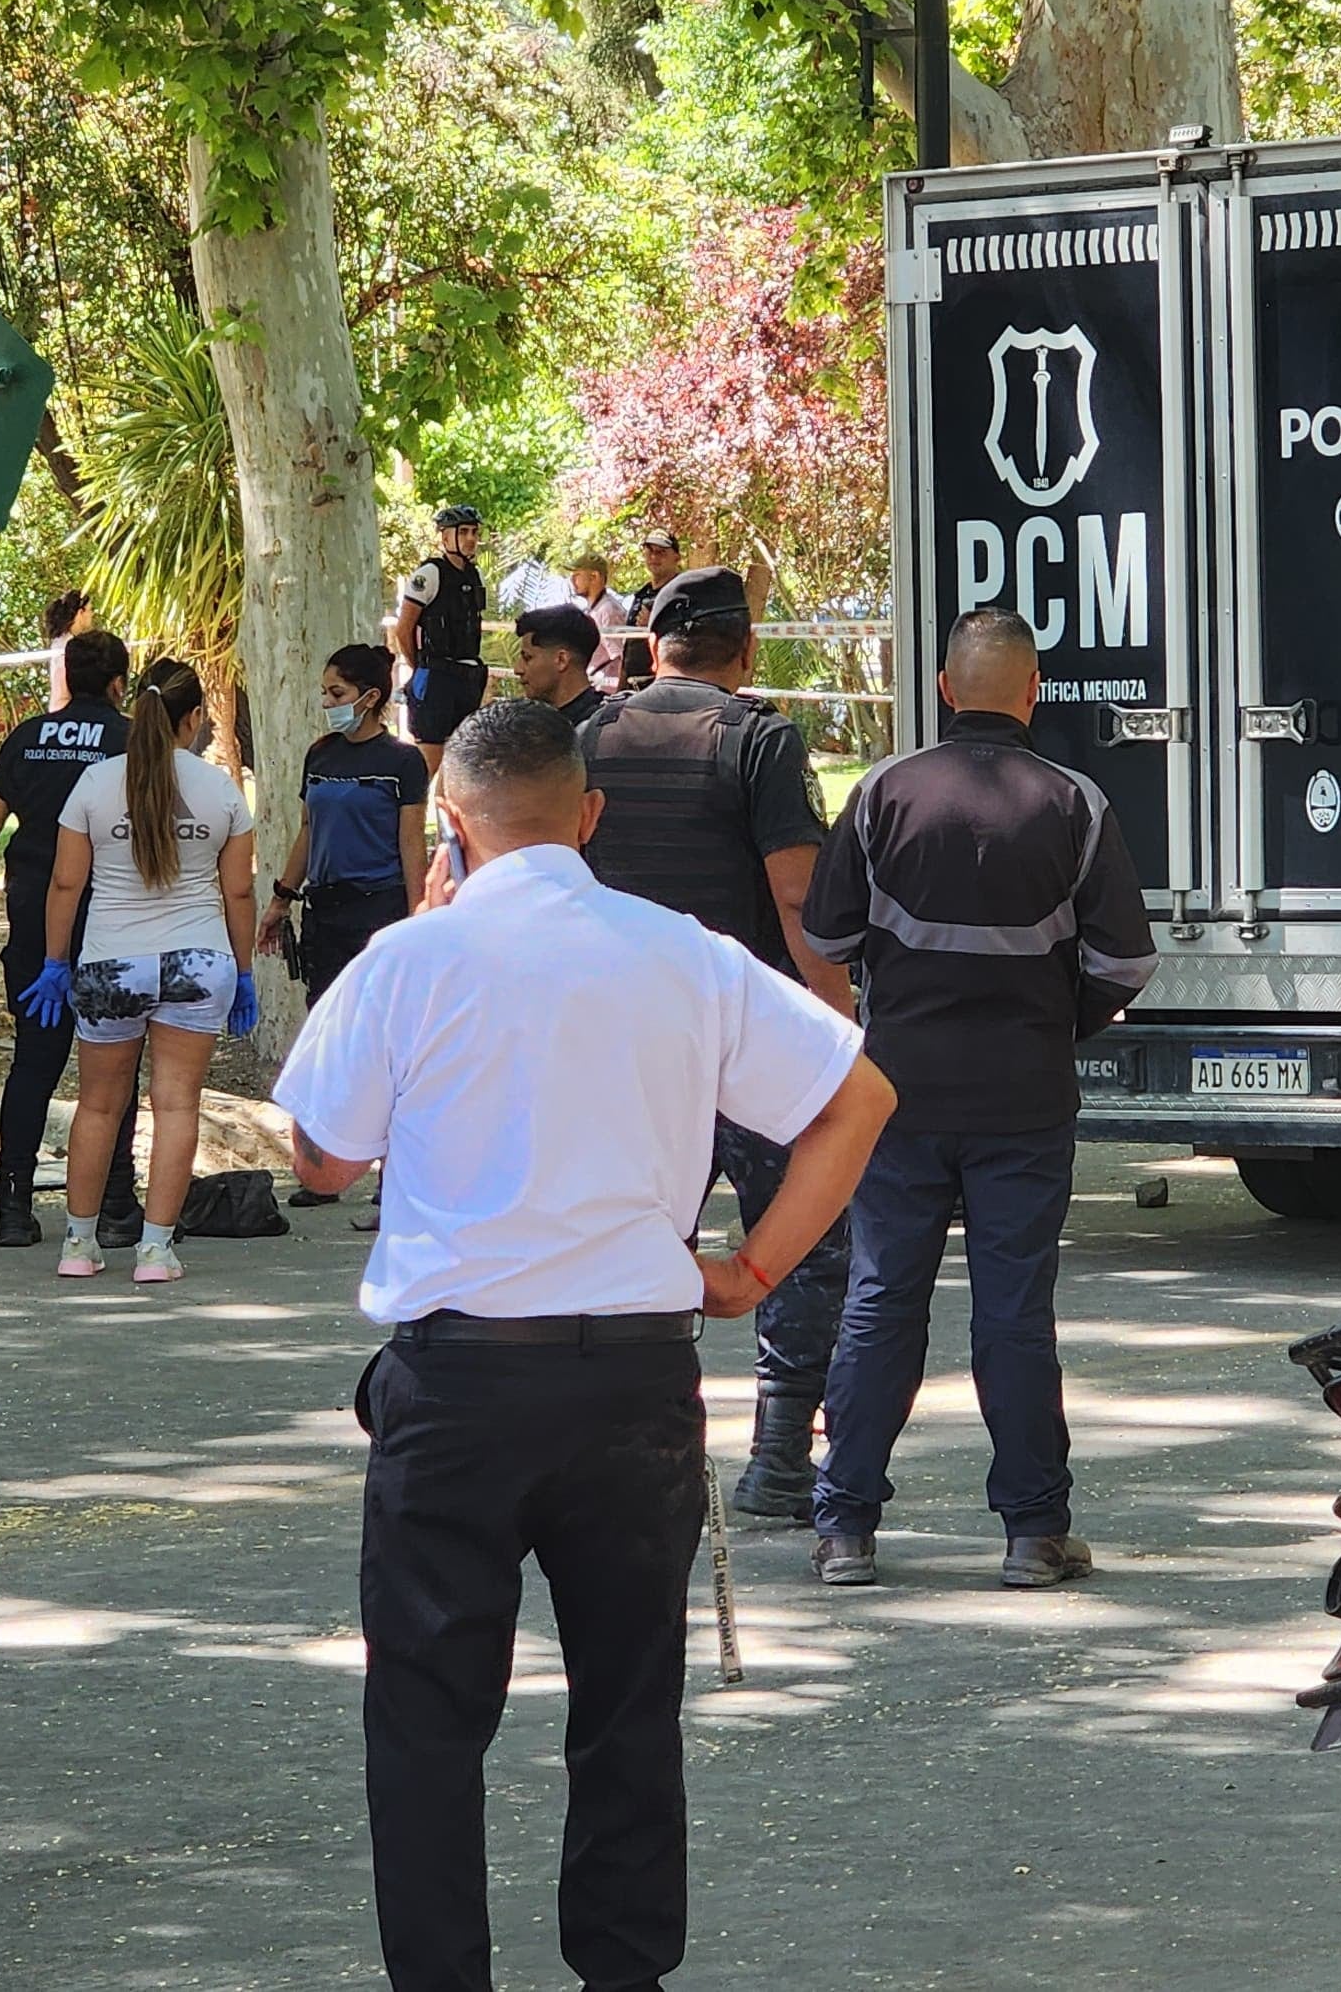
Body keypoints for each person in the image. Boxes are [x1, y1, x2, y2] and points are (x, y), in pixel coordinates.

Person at [271, 700, 893, 1992]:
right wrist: (754, 1267)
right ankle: (625, 1973)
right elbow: (859, 1096)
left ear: (450, 822)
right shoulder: (682, 952)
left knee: (427, 1720)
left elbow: (322, 1165)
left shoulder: (407, 962)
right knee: (626, 1706)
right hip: (634, 1370)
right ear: (590, 814)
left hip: (457, 1380)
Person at [798, 610, 1157, 1589]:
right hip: (1023, 1099)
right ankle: (1033, 1532)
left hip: (895, 1097)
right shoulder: (1074, 803)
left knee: (878, 1299)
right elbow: (1125, 959)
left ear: (946, 690)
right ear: (1031, 691)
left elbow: (826, 938)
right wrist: (1052, 1020)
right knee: (1012, 1312)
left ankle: (844, 1528)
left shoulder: (879, 793)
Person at [575, 564, 858, 1525]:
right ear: (746, 650)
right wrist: (838, 1023)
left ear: (652, 646)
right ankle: (779, 1458)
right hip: (745, 1043)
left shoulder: (591, 737)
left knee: (635, 1239)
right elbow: (794, 896)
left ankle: (635, 1452)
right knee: (804, 1246)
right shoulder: (761, 739)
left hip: (622, 1048)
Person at [23, 658, 259, 1283]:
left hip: (110, 964)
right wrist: (244, 971)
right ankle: (155, 1250)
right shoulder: (220, 790)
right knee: (177, 1104)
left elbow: (66, 882)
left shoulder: (96, 786)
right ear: (194, 718)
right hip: (199, 960)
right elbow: (238, 894)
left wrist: (53, 963)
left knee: (99, 1105)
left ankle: (78, 1243)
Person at [0, 631, 142, 1250]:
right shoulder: (129, 740)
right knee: (115, 1068)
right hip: (111, 919)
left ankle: (13, 1206)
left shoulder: (28, 737)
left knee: (33, 1061)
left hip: (33, 920)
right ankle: (113, 1204)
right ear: (116, 684)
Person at [264, 645, 431, 1009]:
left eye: (337, 693)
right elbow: (308, 830)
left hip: (378, 909)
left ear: (370, 697)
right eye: (324, 692)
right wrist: (281, 899)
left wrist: (420, 919)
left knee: (379, 1018)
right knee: (325, 1018)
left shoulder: (402, 760)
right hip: (323, 913)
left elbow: (412, 843)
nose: (327, 702)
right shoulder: (320, 754)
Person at [389, 506, 489, 773]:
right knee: (428, 762)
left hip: (467, 676)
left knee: (461, 763)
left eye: (474, 532)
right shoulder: (431, 574)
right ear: (445, 537)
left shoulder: (473, 574)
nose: (470, 539)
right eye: (463, 532)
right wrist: (420, 665)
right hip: (437, 677)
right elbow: (404, 627)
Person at [506, 600, 606, 729]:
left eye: (527, 658)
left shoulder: (601, 728)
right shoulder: (530, 722)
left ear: (561, 660)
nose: (517, 669)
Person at [619, 527, 685, 686]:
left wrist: (656, 624)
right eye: (649, 551)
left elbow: (687, 641)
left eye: (661, 552)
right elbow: (630, 646)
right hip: (632, 685)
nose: (654, 557)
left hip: (664, 684)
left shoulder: (683, 594)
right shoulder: (641, 595)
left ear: (676, 557)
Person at [564, 554, 632, 692]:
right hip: (595, 684)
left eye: (577, 575)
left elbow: (619, 657)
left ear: (594, 577)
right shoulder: (594, 609)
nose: (572, 580)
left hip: (606, 689)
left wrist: (616, 694)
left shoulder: (608, 610)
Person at [42, 589, 95, 712]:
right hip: (67, 708)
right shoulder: (69, 645)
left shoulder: (60, 642)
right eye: (90, 610)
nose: (92, 614)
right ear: (80, 612)